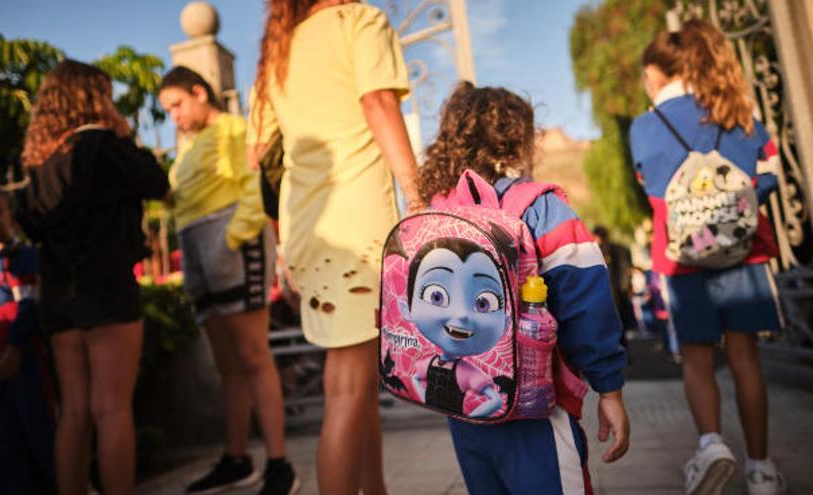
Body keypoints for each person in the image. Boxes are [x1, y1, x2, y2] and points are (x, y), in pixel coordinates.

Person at [416, 81, 629, 494]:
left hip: (463, 410)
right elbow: (587, 303)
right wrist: (610, 388)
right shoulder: (542, 207)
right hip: (538, 409)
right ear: (517, 140)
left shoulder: (434, 215)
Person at [246, 1, 423, 493]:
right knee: (347, 386)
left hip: (308, 226)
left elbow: (254, 153)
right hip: (356, 226)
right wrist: (420, 193)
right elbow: (378, 104)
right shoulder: (359, 22)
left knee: (356, 382)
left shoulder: (280, 49)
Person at [629, 21, 786, 495]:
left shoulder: (645, 125)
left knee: (697, 359)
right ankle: (761, 469)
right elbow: (770, 175)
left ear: (657, 71)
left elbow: (649, 192)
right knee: (745, 357)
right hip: (744, 253)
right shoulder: (733, 107)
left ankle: (711, 445)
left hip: (682, 259)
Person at [17, 59, 169, 495]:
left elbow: (32, 221)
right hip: (105, 286)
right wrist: (124, 135)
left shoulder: (40, 160)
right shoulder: (102, 144)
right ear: (91, 96)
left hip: (59, 292)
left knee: (75, 411)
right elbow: (156, 182)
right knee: (112, 408)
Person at [157, 66, 298, 495]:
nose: (175, 116)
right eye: (168, 111)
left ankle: (279, 466)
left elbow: (256, 185)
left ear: (200, 92)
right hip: (198, 248)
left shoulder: (235, 129)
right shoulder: (188, 150)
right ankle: (236, 460)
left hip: (232, 244)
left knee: (254, 358)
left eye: (178, 104)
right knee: (228, 366)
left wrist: (234, 237)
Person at [0, 188, 55, 494]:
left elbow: (29, 306)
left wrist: (15, 348)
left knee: (41, 434)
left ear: (11, 219)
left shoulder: (25, 258)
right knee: (0, 446)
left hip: (23, 359)